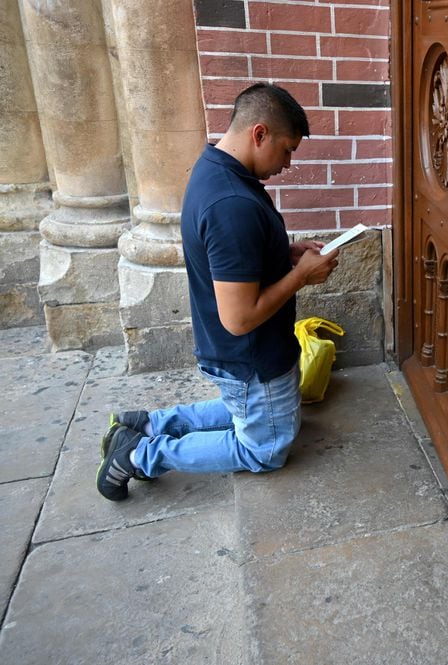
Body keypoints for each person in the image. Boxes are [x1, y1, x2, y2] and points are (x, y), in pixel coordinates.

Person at [97, 83, 340, 501]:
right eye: (286, 150)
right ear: (259, 133)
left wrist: (285, 253)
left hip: (237, 358)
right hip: (250, 357)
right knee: (264, 448)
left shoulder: (215, 168)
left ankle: (148, 423)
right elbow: (239, 317)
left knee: (246, 408)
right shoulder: (232, 203)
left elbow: (232, 257)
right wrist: (300, 277)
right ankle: (140, 454)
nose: (288, 163)